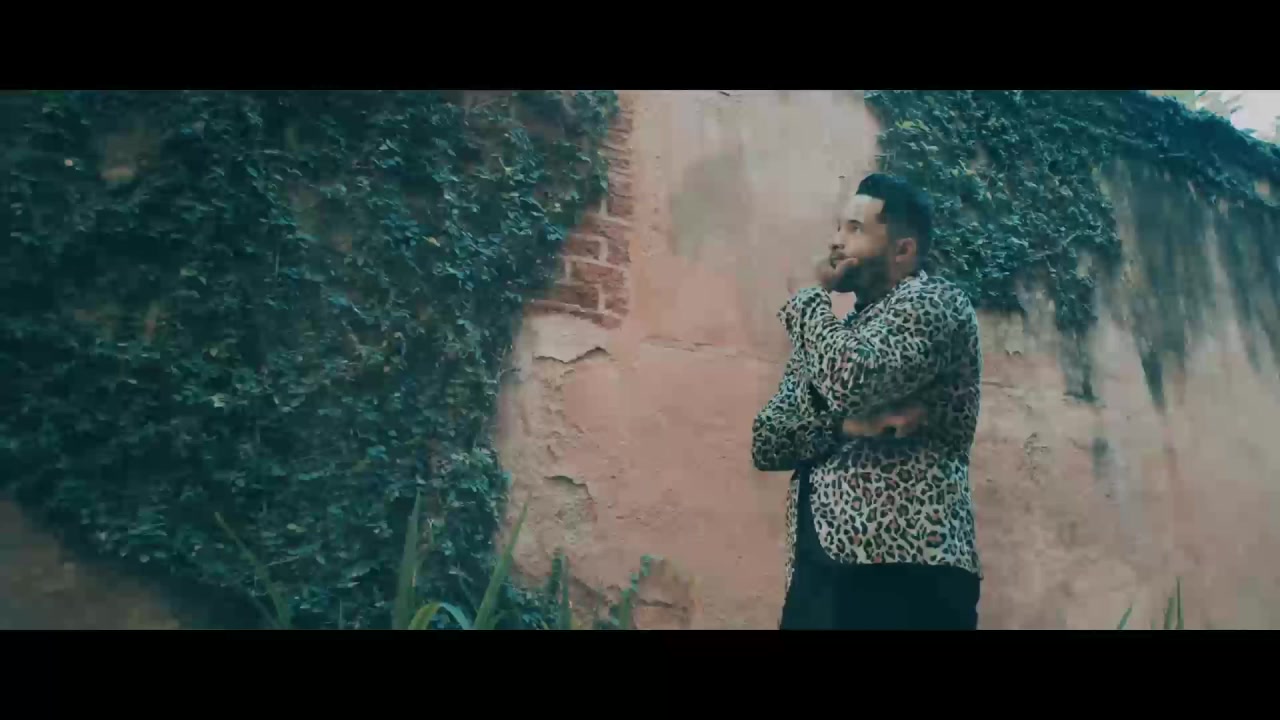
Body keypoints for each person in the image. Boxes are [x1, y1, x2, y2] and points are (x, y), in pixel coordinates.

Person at [751, 173, 983, 630]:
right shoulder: (831, 335)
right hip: (819, 574)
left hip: (908, 570)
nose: (836, 242)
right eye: (838, 227)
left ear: (903, 250)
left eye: (855, 229)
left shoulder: (936, 303)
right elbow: (767, 441)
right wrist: (844, 427)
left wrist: (811, 299)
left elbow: (853, 379)